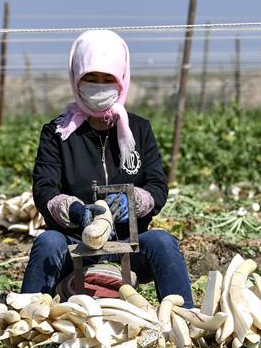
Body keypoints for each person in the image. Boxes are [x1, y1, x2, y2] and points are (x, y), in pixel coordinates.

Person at [20, 29, 193, 307]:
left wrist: (133, 201)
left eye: (107, 79)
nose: (99, 86)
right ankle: (25, 316)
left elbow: (157, 186)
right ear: (77, 79)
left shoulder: (139, 129)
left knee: (162, 242)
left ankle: (185, 318)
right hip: (74, 241)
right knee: (48, 242)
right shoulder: (57, 132)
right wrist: (77, 212)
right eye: (91, 78)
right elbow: (44, 189)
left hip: (128, 242)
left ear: (121, 80)